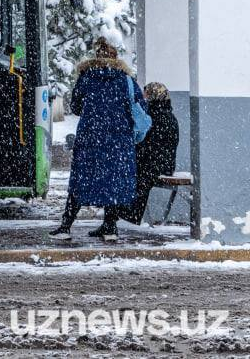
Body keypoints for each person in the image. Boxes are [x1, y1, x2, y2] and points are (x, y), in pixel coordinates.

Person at [49, 38, 144, 243]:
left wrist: (94, 111)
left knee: (81, 180)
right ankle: (110, 227)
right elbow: (139, 106)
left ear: (97, 56)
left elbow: (75, 107)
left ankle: (66, 226)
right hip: (119, 140)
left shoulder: (87, 77)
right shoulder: (126, 80)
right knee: (113, 182)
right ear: (115, 57)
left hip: (91, 138)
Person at [121, 82, 180, 225]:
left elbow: (148, 146)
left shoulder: (154, 116)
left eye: (146, 94)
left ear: (153, 96)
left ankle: (129, 214)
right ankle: (126, 213)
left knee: (137, 175)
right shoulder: (166, 115)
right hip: (162, 163)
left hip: (155, 164)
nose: (144, 97)